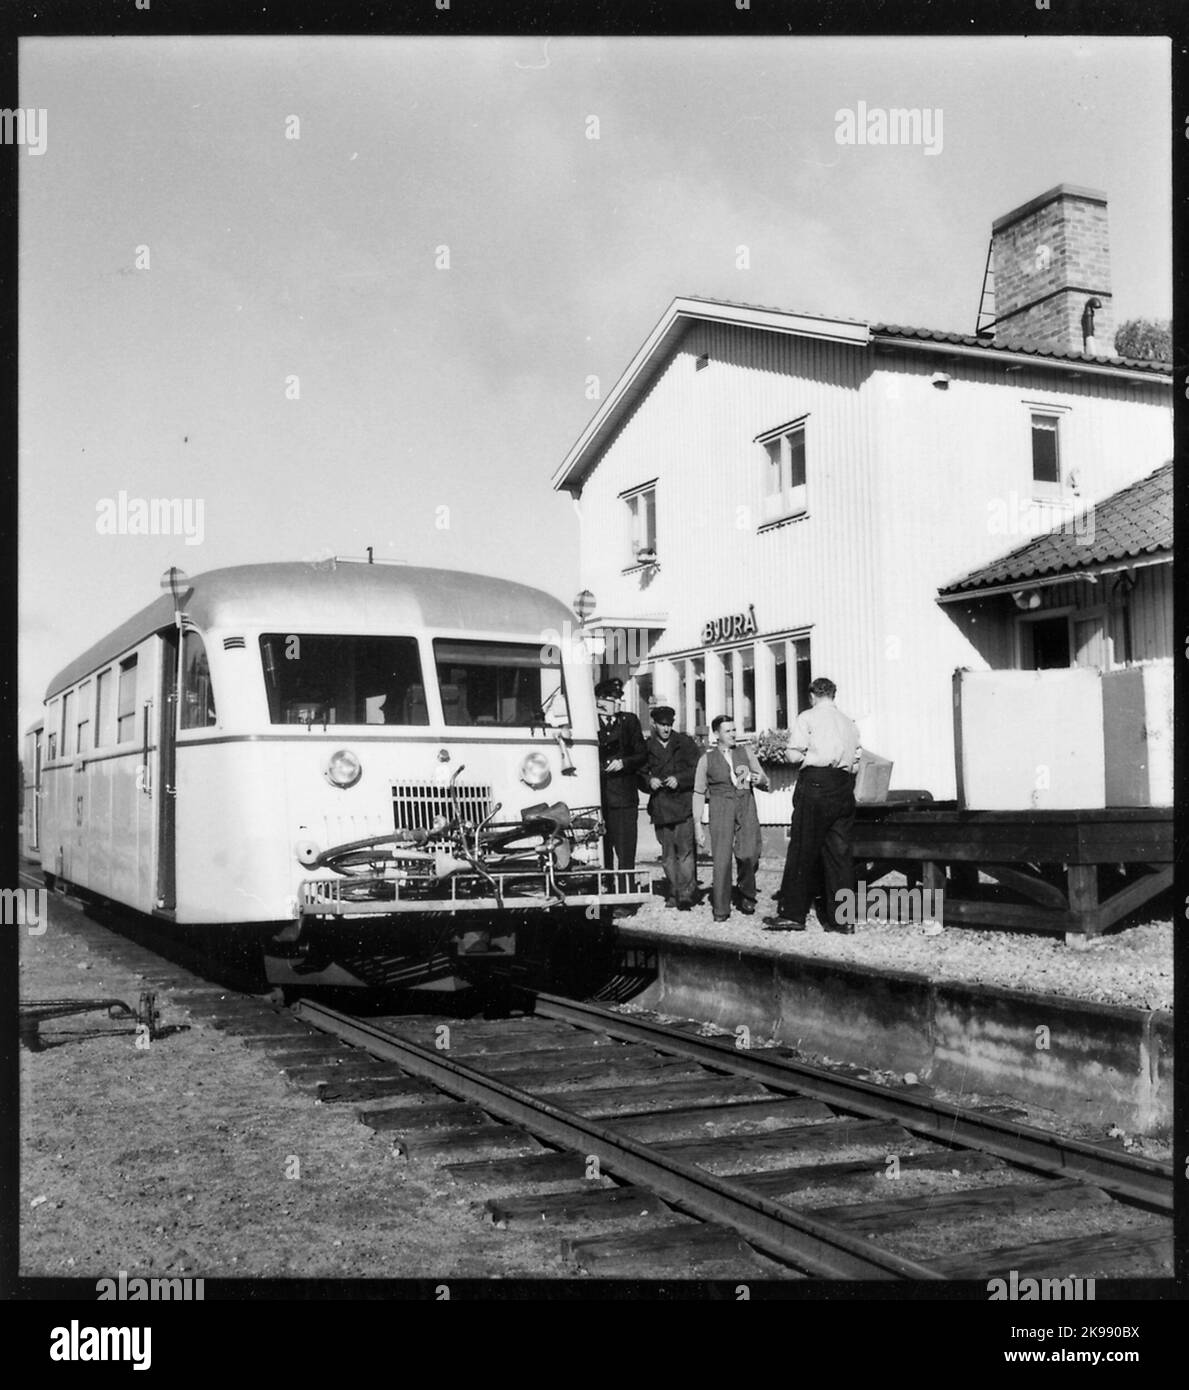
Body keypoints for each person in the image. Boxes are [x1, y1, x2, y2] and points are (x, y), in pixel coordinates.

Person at [764, 676, 861, 934]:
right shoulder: (849, 723)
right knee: (839, 854)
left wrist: (800, 755)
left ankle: (793, 914)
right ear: (833, 694)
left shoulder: (807, 717)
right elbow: (857, 759)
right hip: (843, 786)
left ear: (812, 695)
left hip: (816, 785)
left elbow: (794, 753)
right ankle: (843, 920)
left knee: (802, 849)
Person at [691, 716, 769, 922]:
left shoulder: (746, 753)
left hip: (746, 804)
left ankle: (747, 894)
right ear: (716, 734)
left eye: (734, 730)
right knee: (722, 858)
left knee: (749, 853)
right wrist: (698, 825)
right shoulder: (706, 759)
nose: (734, 734)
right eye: (728, 731)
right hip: (721, 805)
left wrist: (760, 779)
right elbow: (698, 792)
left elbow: (764, 780)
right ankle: (721, 908)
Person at [640, 706, 700, 910]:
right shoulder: (646, 746)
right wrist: (650, 781)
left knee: (685, 852)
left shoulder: (684, 743)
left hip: (683, 803)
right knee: (667, 856)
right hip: (660, 805)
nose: (666, 729)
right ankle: (674, 892)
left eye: (669, 724)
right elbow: (639, 773)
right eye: (662, 725)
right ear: (654, 724)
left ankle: (685, 894)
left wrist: (680, 779)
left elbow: (698, 770)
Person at [594, 677, 647, 871]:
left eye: (619, 698)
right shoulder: (589, 722)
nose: (617, 703)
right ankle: (605, 889)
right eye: (612, 698)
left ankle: (627, 891)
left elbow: (642, 754)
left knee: (626, 849)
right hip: (599, 796)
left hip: (624, 797)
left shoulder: (629, 721)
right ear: (599, 700)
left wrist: (623, 762)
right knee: (602, 848)